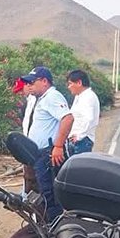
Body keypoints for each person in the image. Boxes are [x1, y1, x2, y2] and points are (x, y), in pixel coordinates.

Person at [20, 66, 73, 221]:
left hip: (47, 154)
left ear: (44, 81)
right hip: (37, 154)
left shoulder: (52, 96)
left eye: (32, 81)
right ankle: (43, 225)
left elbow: (67, 118)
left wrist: (58, 146)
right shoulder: (40, 99)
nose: (30, 85)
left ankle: (53, 227)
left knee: (48, 194)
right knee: (37, 193)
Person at [65, 69, 100, 156]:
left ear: (79, 83)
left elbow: (89, 118)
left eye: (70, 84)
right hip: (77, 140)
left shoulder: (88, 97)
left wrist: (80, 136)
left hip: (82, 141)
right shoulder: (79, 97)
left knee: (79, 168)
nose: (69, 87)